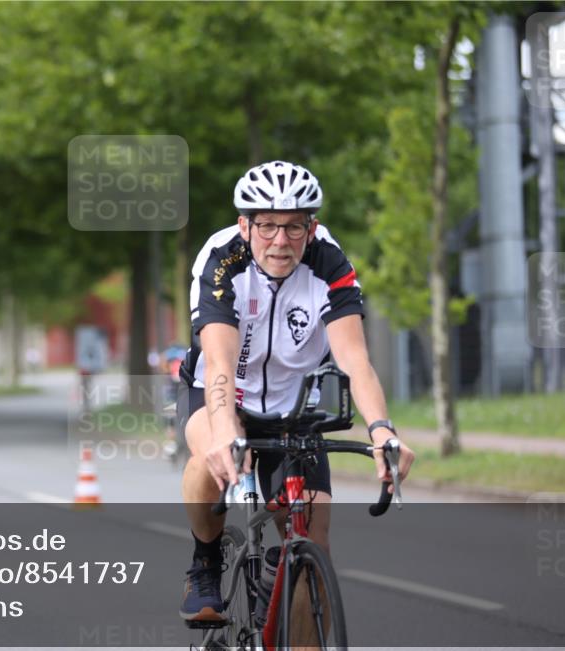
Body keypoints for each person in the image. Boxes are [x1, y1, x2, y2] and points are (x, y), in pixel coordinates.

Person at [177, 161, 415, 623]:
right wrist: (227, 430)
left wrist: (383, 430)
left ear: (313, 226)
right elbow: (221, 363)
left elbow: (354, 359)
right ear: (245, 224)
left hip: (294, 406)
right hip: (224, 394)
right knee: (211, 457)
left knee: (312, 540)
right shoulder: (220, 257)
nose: (280, 241)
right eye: (266, 226)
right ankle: (205, 559)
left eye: (294, 227)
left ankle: (286, 584)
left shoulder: (329, 262)